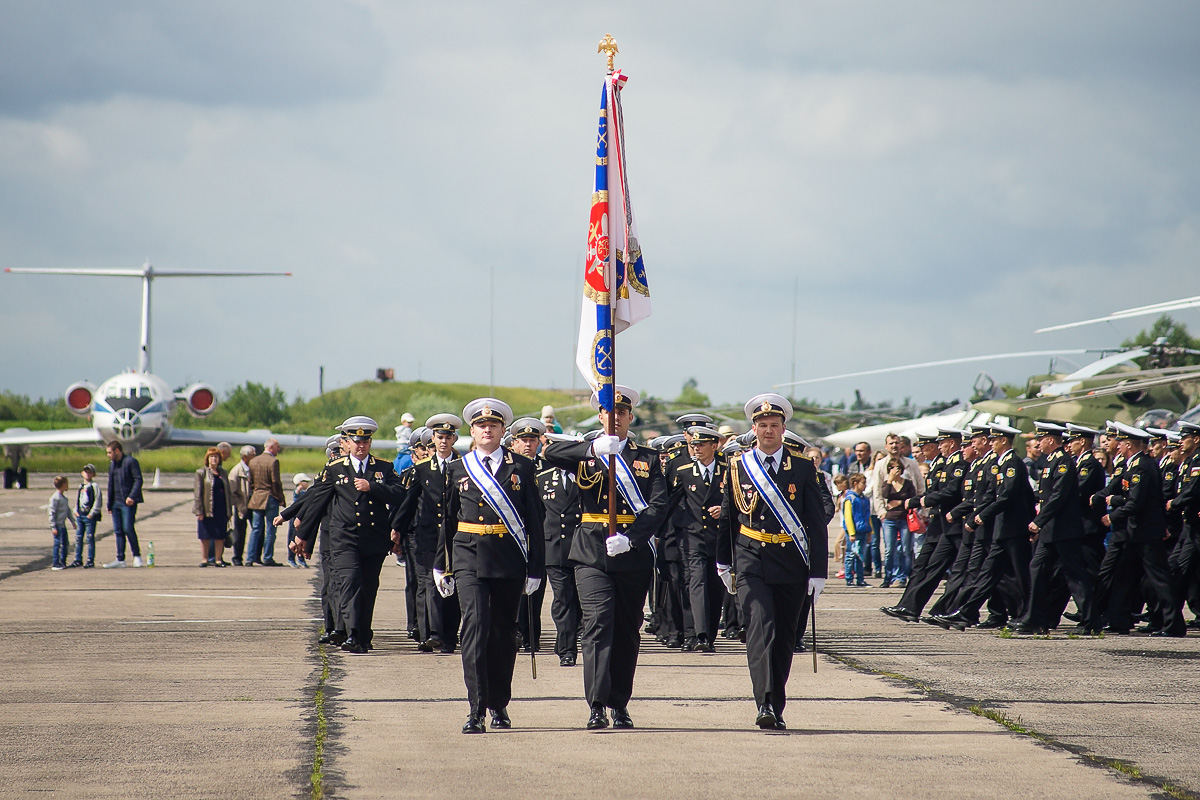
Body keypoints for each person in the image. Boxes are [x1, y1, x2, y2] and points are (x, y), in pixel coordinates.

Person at [542, 385, 667, 730]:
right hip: (591, 553)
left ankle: (619, 703)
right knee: (597, 625)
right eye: (609, 413)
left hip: (632, 553)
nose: (615, 419)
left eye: (622, 414)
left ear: (630, 417)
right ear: (600, 415)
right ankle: (596, 703)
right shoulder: (587, 452)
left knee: (627, 629)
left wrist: (632, 539)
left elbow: (658, 506)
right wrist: (592, 446)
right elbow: (548, 453)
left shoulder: (648, 459)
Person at [716, 393, 828, 731]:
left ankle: (776, 704)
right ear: (753, 428)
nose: (768, 431)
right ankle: (763, 702)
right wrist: (724, 561)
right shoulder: (738, 467)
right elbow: (728, 519)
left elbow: (816, 522)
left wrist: (819, 573)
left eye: (774, 426)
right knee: (761, 628)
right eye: (762, 425)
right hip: (752, 558)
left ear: (783, 429)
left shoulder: (804, 468)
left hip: (792, 561)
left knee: (783, 637)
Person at [435, 399, 546, 733]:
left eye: (494, 426)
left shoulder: (522, 469)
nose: (487, 430)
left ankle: (499, 704)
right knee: (475, 628)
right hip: (469, 557)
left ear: (502, 431)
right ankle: (476, 708)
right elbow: (448, 521)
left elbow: (535, 522)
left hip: (508, 559)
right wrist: (442, 565)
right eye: (481, 426)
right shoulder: (457, 468)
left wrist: (536, 568)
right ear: (472, 431)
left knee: (502, 635)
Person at [296, 416, 406, 653]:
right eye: (356, 441)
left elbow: (399, 494)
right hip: (344, 538)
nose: (361, 445)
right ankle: (353, 634)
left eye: (365, 441)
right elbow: (317, 502)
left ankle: (364, 634)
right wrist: (302, 535)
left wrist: (373, 487)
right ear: (346, 442)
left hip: (374, 539)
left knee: (367, 587)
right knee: (349, 583)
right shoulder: (335, 469)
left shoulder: (383, 468)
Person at [392, 414, 464, 653]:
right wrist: (397, 530)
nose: (443, 441)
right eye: (439, 437)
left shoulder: (463, 466)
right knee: (427, 584)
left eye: (448, 437)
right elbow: (409, 503)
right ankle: (429, 634)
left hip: (454, 537)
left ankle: (449, 637)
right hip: (426, 536)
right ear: (433, 439)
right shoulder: (421, 470)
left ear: (454, 439)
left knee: (452, 585)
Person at [666, 425, 727, 652]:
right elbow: (669, 503)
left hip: (719, 538)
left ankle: (708, 635)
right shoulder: (684, 471)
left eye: (701, 445)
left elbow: (737, 501)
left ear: (714, 446)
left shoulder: (727, 470)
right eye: (694, 444)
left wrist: (724, 510)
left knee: (715, 588)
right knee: (696, 583)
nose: (696, 448)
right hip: (692, 537)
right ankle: (698, 634)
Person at [104, 441, 144, 568]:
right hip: (116, 502)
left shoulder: (130, 462)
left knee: (128, 528)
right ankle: (120, 559)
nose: (108, 455)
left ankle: (137, 556)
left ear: (117, 451)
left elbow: (138, 480)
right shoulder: (112, 465)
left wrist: (132, 496)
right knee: (118, 531)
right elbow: (111, 484)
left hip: (127, 502)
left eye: (110, 452)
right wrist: (109, 504)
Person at [247, 438, 285, 566]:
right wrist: (280, 497)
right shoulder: (273, 461)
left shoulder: (253, 461)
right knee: (270, 529)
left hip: (256, 497)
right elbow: (275, 482)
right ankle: (267, 557)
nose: (278, 449)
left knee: (255, 529)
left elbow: (250, 481)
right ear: (271, 447)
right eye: (277, 447)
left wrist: (255, 491)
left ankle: (250, 557)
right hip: (270, 497)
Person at [880, 458, 916, 588]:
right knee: (890, 550)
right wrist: (890, 480)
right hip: (890, 519)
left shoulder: (907, 483)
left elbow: (913, 498)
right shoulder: (887, 483)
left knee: (906, 549)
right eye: (892, 468)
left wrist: (899, 502)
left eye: (897, 468)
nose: (895, 470)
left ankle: (903, 577)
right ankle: (888, 577)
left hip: (904, 518)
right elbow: (884, 494)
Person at [192, 447, 231, 567]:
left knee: (220, 535)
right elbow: (197, 493)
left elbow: (228, 492)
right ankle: (205, 559)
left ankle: (218, 559)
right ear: (207, 459)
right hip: (207, 508)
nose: (214, 459)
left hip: (221, 508)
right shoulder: (201, 473)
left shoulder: (223, 473)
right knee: (205, 535)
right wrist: (199, 511)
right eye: (211, 457)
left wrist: (229, 511)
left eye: (216, 457)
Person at [227, 445, 255, 566]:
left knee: (257, 530)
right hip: (241, 505)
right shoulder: (236, 471)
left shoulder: (253, 468)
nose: (254, 457)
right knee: (239, 533)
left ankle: (253, 556)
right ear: (245, 457)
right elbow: (232, 492)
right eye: (252, 455)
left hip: (254, 504)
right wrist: (239, 505)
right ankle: (237, 557)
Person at [71, 464, 102, 568]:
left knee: (90, 537)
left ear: (93, 474)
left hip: (89, 516)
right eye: (85, 472)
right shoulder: (81, 486)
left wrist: (92, 513)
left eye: (89, 472)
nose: (87, 474)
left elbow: (98, 500)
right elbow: (78, 499)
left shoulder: (94, 486)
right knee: (79, 537)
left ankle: (90, 559)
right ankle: (78, 558)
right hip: (80, 515)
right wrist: (75, 510)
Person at [842, 473, 871, 587]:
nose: (865, 485)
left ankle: (860, 578)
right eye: (863, 483)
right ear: (855, 484)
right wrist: (851, 533)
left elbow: (868, 516)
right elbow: (848, 517)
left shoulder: (865, 499)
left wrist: (870, 531)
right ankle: (849, 579)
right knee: (850, 555)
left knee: (860, 556)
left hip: (863, 531)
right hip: (853, 533)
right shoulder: (850, 498)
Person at [48, 475, 75, 570]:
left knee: (65, 544)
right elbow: (52, 513)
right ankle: (55, 562)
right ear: (63, 485)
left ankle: (62, 561)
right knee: (57, 544)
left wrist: (73, 521)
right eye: (66, 484)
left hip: (62, 525)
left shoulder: (64, 498)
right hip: (57, 526)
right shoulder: (55, 498)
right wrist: (53, 526)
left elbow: (68, 511)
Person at [287, 473, 312, 568]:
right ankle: (291, 558)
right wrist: (299, 488)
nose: (308, 483)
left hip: (304, 518)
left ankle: (301, 558)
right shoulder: (298, 492)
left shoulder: (306, 492)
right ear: (300, 483)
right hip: (296, 518)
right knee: (293, 539)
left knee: (302, 539)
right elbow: (296, 497)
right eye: (306, 482)